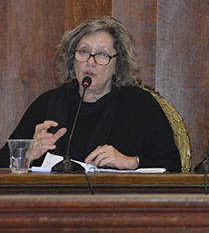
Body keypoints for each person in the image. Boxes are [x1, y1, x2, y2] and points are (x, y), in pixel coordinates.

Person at [0, 16, 181, 172]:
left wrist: (131, 162)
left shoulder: (141, 106)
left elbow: (174, 166)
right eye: (84, 52)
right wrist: (27, 155)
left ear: (118, 65)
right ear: (72, 59)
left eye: (102, 54)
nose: (90, 62)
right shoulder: (48, 104)